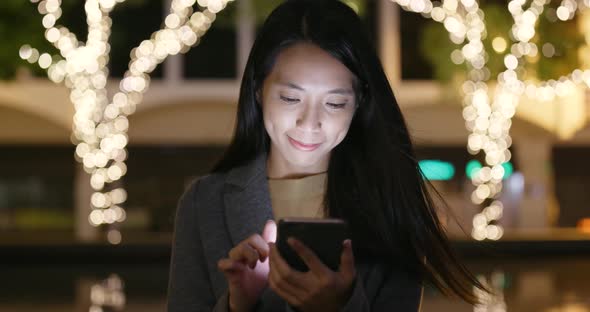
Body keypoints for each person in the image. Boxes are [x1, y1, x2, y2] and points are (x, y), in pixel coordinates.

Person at [167, 0, 488, 311]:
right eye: (291, 98)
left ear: (359, 102)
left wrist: (337, 307)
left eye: (334, 103)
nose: (310, 123)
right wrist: (238, 305)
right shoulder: (203, 203)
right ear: (257, 90)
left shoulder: (391, 201)